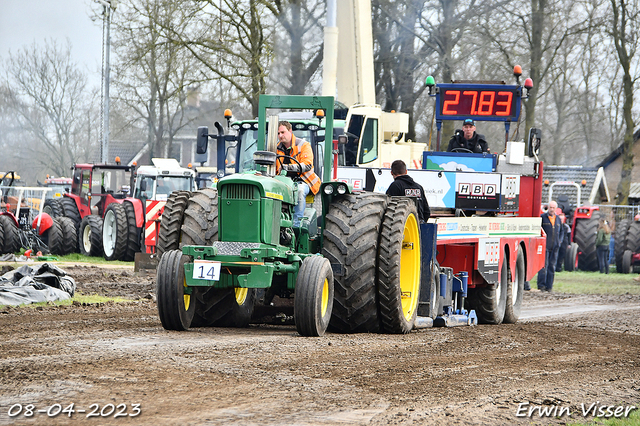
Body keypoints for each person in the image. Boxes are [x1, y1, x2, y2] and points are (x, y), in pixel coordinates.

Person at [276, 121, 321, 227]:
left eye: (283, 132)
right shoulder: (276, 149)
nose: (280, 136)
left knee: (299, 191)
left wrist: (287, 167)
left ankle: (296, 225)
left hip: (303, 181)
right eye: (278, 133)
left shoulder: (303, 145)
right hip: (284, 182)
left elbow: (307, 165)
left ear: (290, 131)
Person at [537, 200, 564, 292]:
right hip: (545, 246)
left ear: (556, 209)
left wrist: (559, 242)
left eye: (553, 208)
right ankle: (541, 285)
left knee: (552, 266)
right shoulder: (542, 218)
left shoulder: (558, 219)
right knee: (543, 266)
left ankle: (549, 286)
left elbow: (562, 232)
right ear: (547, 207)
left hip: (555, 247)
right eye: (550, 207)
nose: (552, 209)